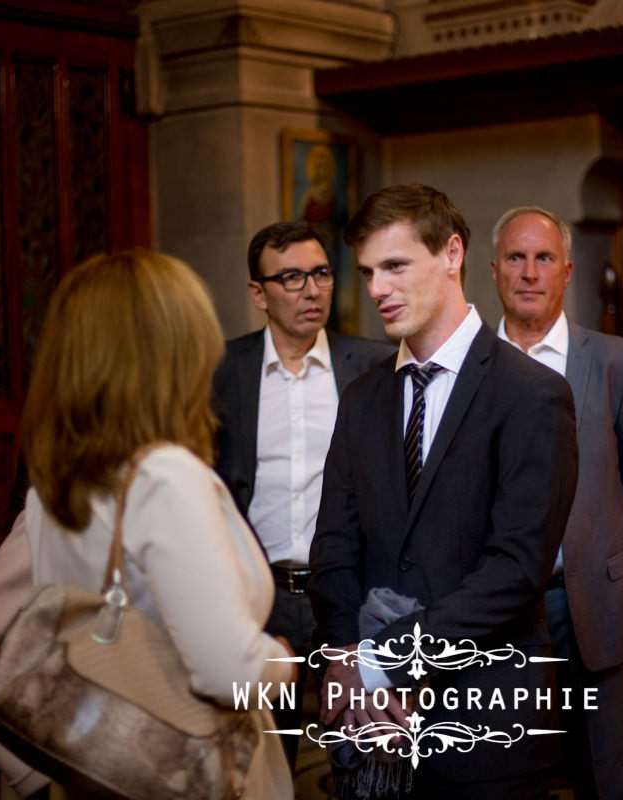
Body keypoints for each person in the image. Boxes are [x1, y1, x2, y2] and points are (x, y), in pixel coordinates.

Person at [0, 249, 294, 800]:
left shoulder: (60, 487)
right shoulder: (165, 477)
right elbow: (228, 674)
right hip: (195, 775)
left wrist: (41, 773)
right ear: (175, 352)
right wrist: (283, 663)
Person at [308, 184, 579, 799]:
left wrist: (384, 663)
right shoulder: (363, 398)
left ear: (452, 254)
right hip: (370, 734)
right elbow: (334, 548)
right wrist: (351, 661)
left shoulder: (530, 394)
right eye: (370, 271)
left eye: (396, 266)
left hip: (486, 726)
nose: (377, 288)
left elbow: (515, 570)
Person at [490, 207, 623, 800]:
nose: (529, 272)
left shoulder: (621, 363)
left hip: (592, 606)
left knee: (608, 779)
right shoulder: (469, 368)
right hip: (495, 615)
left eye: (543, 258)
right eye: (515, 258)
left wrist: (599, 554)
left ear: (567, 272)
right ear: (493, 271)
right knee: (504, 776)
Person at [212, 220, 393, 766]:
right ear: (257, 293)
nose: (311, 290)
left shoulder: (374, 366)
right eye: (291, 277)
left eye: (320, 273)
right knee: (262, 761)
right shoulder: (221, 370)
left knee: (361, 755)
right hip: (255, 598)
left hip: (346, 596)